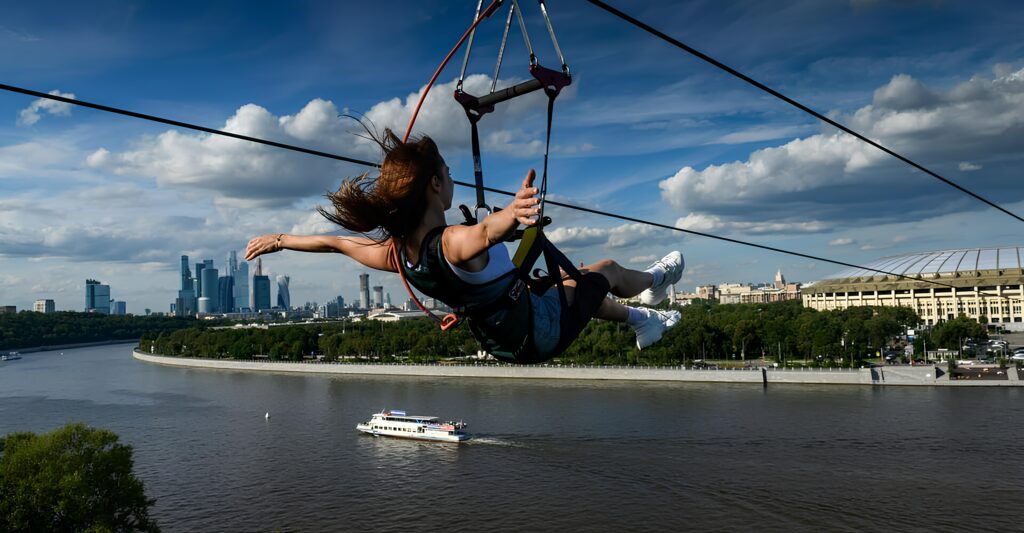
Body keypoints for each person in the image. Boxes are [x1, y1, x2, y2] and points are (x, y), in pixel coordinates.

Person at [245, 130, 683, 364]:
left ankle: (644, 319)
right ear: (435, 185)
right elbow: (485, 233)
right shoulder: (452, 241)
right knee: (602, 270)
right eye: (449, 173)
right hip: (536, 331)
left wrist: (282, 240)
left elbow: (337, 243)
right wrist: (513, 212)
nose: (453, 179)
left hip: (505, 338)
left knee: (577, 288)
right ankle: (659, 279)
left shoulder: (397, 255)